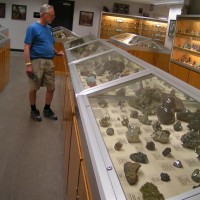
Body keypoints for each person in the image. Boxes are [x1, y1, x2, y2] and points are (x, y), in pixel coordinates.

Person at [24, 4, 64, 122]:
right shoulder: (33, 28)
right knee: (34, 87)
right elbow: (27, 47)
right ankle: (33, 110)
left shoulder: (49, 28)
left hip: (49, 62)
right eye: (51, 15)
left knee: (51, 87)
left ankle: (47, 109)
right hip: (36, 62)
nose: (53, 17)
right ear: (43, 14)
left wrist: (56, 52)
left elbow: (48, 44)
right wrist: (28, 64)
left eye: (53, 15)